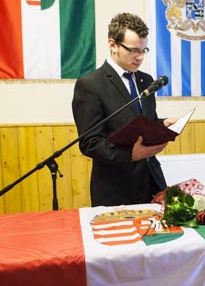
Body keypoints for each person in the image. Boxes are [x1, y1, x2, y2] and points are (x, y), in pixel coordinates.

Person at [72, 13, 173, 206]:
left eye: (144, 50)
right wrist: (130, 155)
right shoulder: (91, 84)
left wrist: (163, 124)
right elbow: (90, 142)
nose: (140, 57)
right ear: (113, 44)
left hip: (152, 181)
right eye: (133, 50)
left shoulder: (146, 80)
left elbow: (144, 122)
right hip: (115, 188)